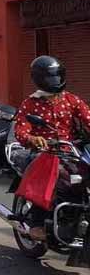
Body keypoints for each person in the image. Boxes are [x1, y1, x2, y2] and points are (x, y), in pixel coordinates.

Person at [12, 56, 90, 241]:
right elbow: (21, 131)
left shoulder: (72, 100)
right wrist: (33, 138)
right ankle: (37, 222)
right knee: (51, 174)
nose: (54, 81)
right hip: (45, 151)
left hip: (71, 150)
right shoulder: (30, 103)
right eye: (49, 78)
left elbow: (88, 118)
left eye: (56, 76)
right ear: (39, 79)